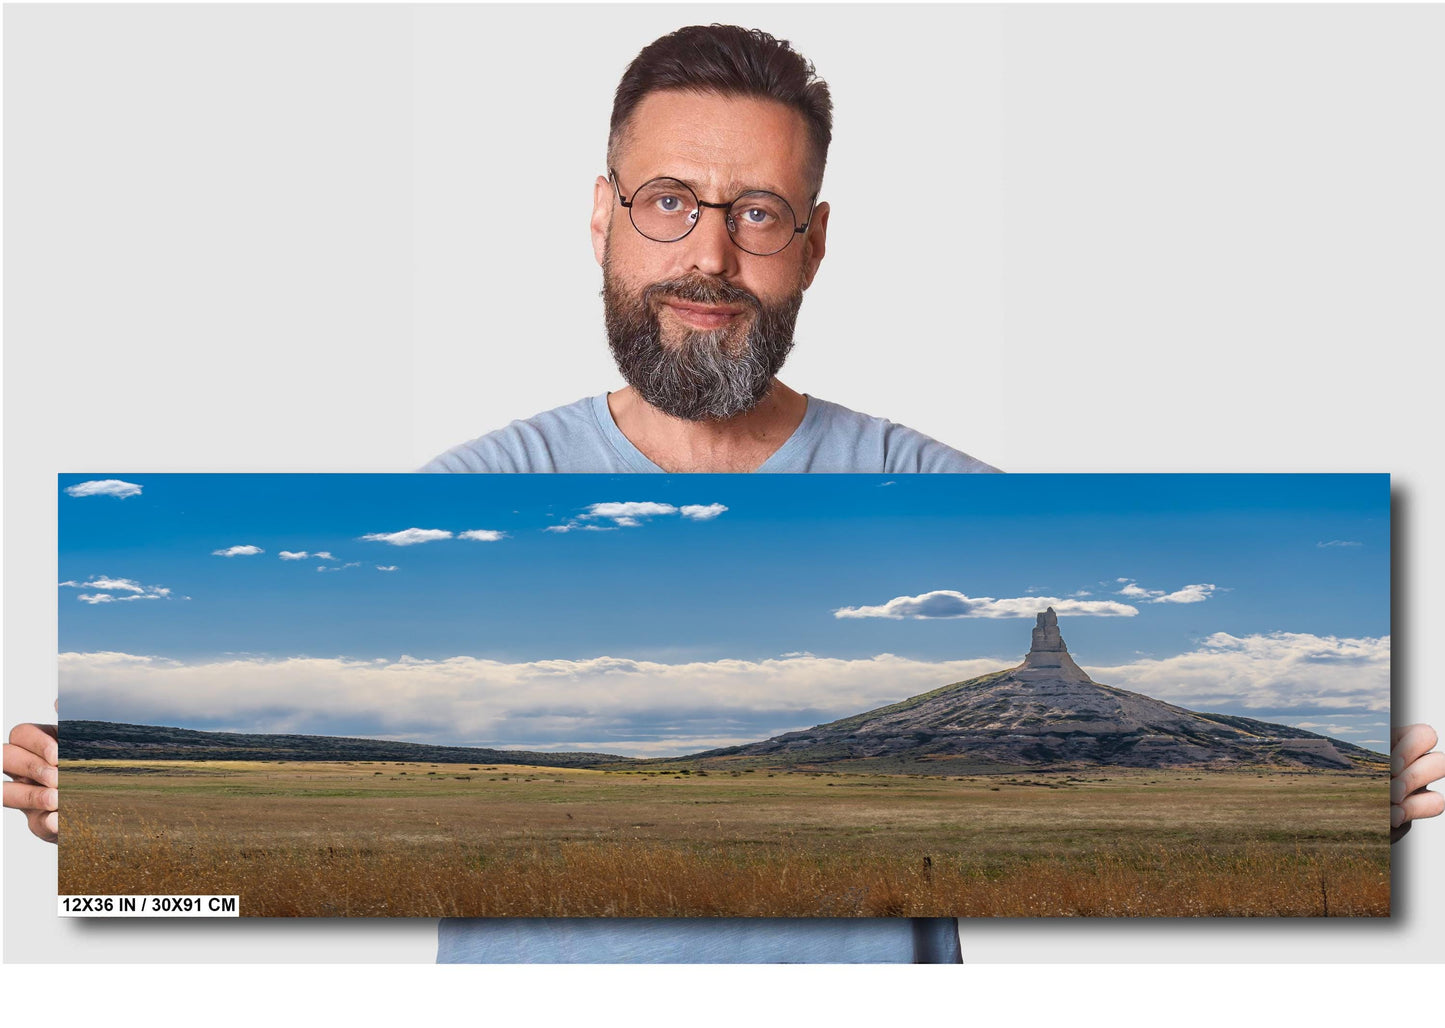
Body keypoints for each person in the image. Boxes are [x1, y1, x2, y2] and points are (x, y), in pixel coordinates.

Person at [8, 23, 1443, 963]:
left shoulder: (952, 503)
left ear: (810, 244)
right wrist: (119, 812)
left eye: (755, 213)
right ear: (602, 215)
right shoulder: (465, 495)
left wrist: (1345, 804)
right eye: (669, 202)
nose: (709, 253)